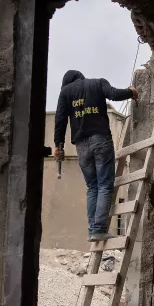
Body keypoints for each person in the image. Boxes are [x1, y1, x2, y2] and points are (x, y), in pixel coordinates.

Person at [53, 70, 137, 242]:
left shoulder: (65, 92)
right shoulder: (98, 83)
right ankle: (98, 229)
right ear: (81, 77)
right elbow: (114, 94)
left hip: (81, 146)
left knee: (92, 187)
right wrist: (131, 91)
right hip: (101, 140)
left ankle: (93, 229)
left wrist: (58, 145)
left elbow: (60, 120)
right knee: (104, 185)